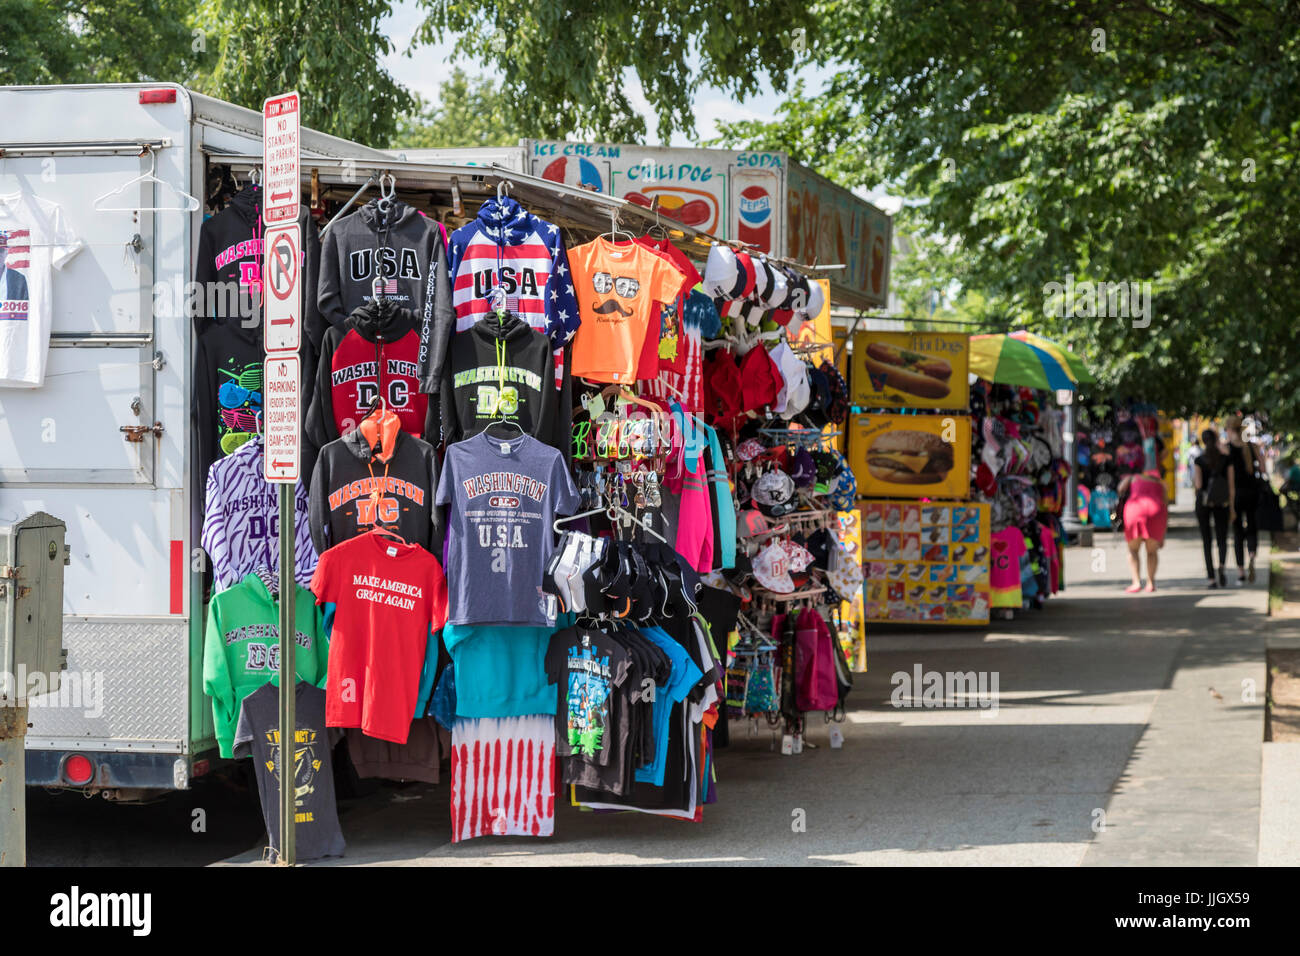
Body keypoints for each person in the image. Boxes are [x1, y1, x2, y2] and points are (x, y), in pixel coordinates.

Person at [1193, 427, 1233, 588]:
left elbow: (1198, 484)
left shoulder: (1199, 460)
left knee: (1206, 540)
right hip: (1222, 502)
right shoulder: (1225, 459)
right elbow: (1231, 485)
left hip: (1204, 503)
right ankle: (1221, 566)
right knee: (1222, 538)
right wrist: (1232, 506)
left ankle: (1211, 578)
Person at [1224, 415, 1263, 583]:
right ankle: (1252, 553)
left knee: (1238, 531)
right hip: (1252, 492)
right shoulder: (1252, 446)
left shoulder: (1227, 449)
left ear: (1230, 430)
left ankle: (1240, 571)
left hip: (1236, 494)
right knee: (1252, 525)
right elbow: (1262, 467)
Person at [1119, 468, 1168, 593]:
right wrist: (1163, 534)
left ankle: (1136, 582)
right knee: (1152, 551)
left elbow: (1120, 489)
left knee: (1133, 550)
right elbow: (1165, 504)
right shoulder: (1162, 484)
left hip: (1135, 510)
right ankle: (1150, 583)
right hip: (1155, 512)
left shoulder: (1133, 477)